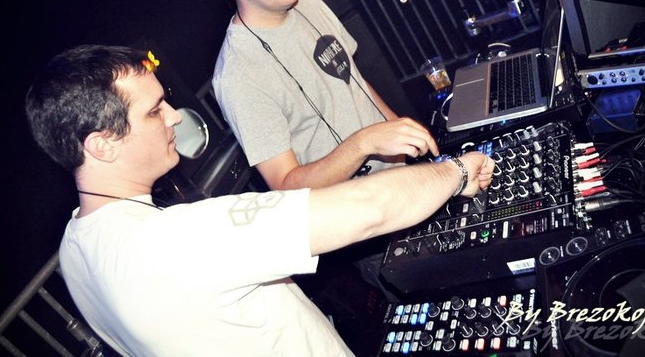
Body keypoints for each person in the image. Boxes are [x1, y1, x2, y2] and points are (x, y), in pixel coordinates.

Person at [25, 44, 494, 356]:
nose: (174, 116)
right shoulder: (172, 241)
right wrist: (455, 173)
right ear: (102, 145)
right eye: (153, 111)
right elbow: (370, 210)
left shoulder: (75, 248)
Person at [203, 0, 439, 298]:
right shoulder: (239, 75)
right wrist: (364, 143)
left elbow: (355, 82)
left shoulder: (308, 2)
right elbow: (286, 189)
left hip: (408, 178)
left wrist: (404, 136)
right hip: (369, 222)